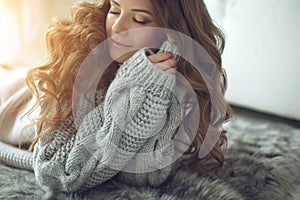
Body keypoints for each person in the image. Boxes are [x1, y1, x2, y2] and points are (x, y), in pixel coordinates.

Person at [0, 0, 232, 198]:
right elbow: (57, 173)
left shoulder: (173, 85)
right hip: (13, 98)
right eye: (114, 9)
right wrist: (128, 84)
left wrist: (147, 89)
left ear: (172, 32)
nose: (118, 27)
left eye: (139, 20)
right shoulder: (77, 59)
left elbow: (145, 175)